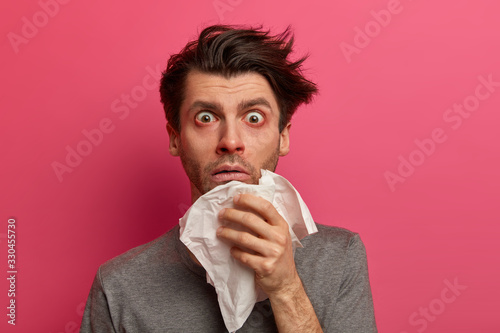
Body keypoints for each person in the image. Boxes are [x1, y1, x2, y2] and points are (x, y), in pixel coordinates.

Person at [80, 24, 377, 332]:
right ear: (175, 138)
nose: (231, 141)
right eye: (206, 118)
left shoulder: (339, 258)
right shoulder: (119, 287)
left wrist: (286, 288)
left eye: (254, 118)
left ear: (283, 137)